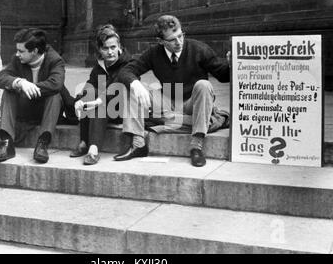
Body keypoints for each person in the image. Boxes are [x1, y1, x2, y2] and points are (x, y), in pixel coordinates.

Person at [114, 15, 230, 167]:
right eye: (172, 39)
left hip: (191, 104)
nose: (179, 42)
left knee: (203, 85)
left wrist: (231, 65)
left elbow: (222, 75)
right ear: (161, 41)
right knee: (132, 87)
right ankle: (139, 144)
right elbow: (125, 71)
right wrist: (135, 84)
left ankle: (196, 145)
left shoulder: (198, 49)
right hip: (167, 101)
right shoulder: (154, 53)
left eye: (181, 36)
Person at [0, 28, 66, 164]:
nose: (17, 54)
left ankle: (42, 144)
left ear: (35, 51)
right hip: (24, 109)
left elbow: (56, 84)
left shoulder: (55, 60)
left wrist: (32, 86)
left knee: (55, 95)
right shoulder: (17, 60)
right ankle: (6, 143)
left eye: (21, 51)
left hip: (45, 111)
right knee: (9, 90)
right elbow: (0, 79)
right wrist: (20, 83)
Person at [70, 25, 130, 165]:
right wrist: (80, 100)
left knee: (98, 102)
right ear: (99, 50)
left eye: (113, 47)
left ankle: (92, 147)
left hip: (121, 109)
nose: (110, 52)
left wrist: (98, 100)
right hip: (102, 108)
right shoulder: (99, 67)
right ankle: (86, 143)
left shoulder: (128, 63)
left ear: (119, 46)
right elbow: (89, 85)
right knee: (90, 94)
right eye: (105, 48)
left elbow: (118, 89)